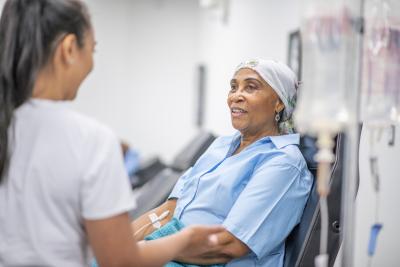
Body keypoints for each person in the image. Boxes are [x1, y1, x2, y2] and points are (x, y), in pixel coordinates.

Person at [0, 0, 224, 266]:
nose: (92, 63)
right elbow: (119, 260)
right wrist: (184, 240)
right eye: (92, 50)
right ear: (69, 49)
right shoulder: (90, 141)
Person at [132, 59, 313, 267]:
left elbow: (228, 245)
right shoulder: (221, 145)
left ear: (278, 102)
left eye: (251, 87)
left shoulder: (284, 163)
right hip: (175, 252)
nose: (236, 96)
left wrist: (146, 250)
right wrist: (118, 246)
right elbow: (168, 211)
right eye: (234, 87)